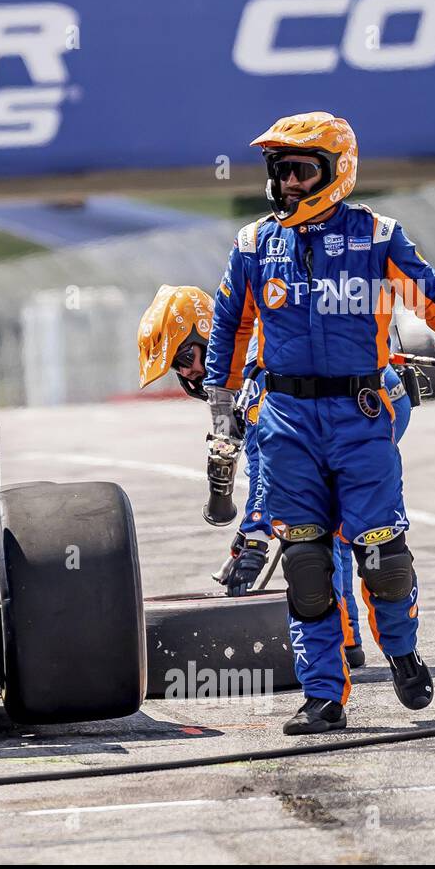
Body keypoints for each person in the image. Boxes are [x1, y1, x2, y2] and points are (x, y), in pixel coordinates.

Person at [203, 112, 435, 735]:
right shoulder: (252, 245)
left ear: (337, 171)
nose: (288, 184)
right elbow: (229, 329)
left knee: (382, 558)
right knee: (305, 565)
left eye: (301, 170)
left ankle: (402, 652)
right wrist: (222, 413)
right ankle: (324, 696)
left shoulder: (379, 237)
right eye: (279, 171)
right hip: (285, 423)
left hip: (360, 418)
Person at [138, 284, 415, 669]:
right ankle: (346, 642)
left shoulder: (249, 363)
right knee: (322, 523)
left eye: (186, 355)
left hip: (371, 403)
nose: (187, 372)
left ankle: (360, 644)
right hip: (344, 405)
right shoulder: (228, 360)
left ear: (205, 332)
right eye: (178, 365)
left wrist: (254, 539)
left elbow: (269, 462)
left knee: (321, 523)